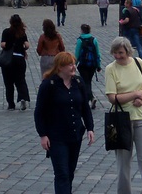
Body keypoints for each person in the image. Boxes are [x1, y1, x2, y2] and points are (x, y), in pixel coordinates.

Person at [105, 37, 142, 194]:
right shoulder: (111, 69)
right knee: (124, 163)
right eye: (115, 53)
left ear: (128, 51)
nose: (117, 56)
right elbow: (112, 98)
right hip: (122, 121)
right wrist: (135, 94)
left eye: (120, 53)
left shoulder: (138, 63)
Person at [34, 51, 95, 194]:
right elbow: (39, 112)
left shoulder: (78, 83)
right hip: (56, 137)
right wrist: (42, 135)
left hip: (75, 135)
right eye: (70, 65)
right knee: (62, 173)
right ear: (60, 67)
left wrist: (90, 128)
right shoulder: (49, 85)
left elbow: (85, 108)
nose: (74, 67)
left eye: (74, 64)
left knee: (70, 172)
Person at [0, 14, 31, 110]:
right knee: (21, 80)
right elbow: (27, 45)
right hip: (19, 59)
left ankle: (11, 104)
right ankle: (23, 99)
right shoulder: (22, 32)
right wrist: (22, 47)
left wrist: (10, 44)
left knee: (8, 83)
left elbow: (3, 45)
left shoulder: (6, 32)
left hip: (8, 60)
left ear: (11, 22)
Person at [74, 24, 101, 109]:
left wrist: (74, 64)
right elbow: (98, 53)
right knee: (88, 81)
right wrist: (98, 65)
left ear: (82, 30)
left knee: (85, 82)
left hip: (83, 64)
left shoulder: (80, 40)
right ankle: (90, 98)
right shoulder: (94, 40)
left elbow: (77, 54)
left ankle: (90, 98)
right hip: (92, 65)